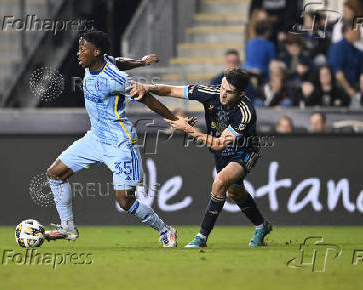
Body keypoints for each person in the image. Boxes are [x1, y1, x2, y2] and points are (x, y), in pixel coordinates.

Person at [44, 31, 183, 247]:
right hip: (95, 138)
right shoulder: (100, 62)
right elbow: (117, 61)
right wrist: (141, 62)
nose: (78, 53)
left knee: (125, 201)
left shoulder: (113, 79)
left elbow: (146, 98)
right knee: (55, 174)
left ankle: (165, 229)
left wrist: (173, 119)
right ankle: (68, 227)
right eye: (79, 48)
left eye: (83, 49)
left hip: (120, 143)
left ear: (96, 52)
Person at [128, 68, 272, 248]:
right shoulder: (210, 92)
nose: (223, 94)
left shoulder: (245, 112)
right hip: (222, 153)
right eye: (223, 88)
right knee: (235, 192)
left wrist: (187, 129)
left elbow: (219, 143)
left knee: (220, 182)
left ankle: (201, 237)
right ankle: (261, 226)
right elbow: (171, 90)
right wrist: (146, 87)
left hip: (244, 151)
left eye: (230, 92)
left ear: (241, 94)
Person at [328, 22, 363, 102]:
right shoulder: (338, 48)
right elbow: (338, 74)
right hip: (341, 89)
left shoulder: (357, 51)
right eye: (357, 30)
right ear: (348, 32)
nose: (360, 32)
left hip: (356, 86)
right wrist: (349, 89)